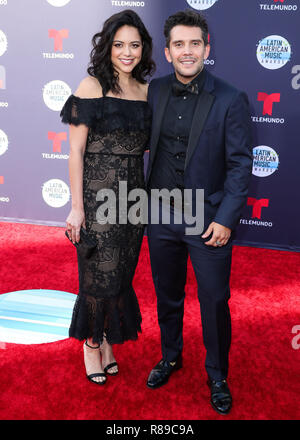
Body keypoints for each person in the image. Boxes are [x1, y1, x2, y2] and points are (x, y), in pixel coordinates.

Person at [146, 10, 252, 415]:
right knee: (167, 294)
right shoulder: (153, 91)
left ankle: (217, 374)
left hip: (207, 218)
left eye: (195, 44)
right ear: (168, 51)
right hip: (159, 214)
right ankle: (171, 355)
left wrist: (225, 218)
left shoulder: (229, 97)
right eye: (178, 44)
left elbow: (241, 164)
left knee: (213, 299)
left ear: (207, 48)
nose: (187, 51)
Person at [60, 10, 155, 385]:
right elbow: (75, 152)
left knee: (121, 276)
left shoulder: (147, 92)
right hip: (98, 202)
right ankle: (91, 345)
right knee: (98, 277)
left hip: (134, 202)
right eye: (119, 45)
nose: (127, 52)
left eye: (134, 45)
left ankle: (109, 343)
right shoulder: (91, 86)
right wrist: (77, 208)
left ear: (143, 48)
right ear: (108, 48)